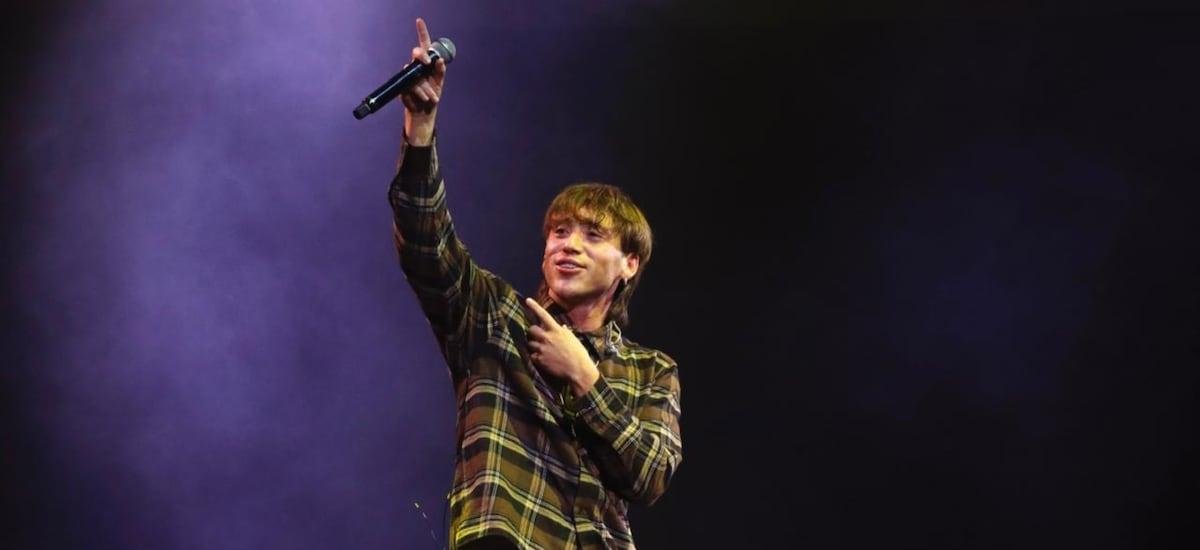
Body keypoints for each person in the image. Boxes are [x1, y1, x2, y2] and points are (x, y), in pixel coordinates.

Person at [389, 18, 682, 550]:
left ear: (629, 265)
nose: (567, 245)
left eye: (592, 235)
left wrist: (585, 379)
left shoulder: (651, 370)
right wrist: (422, 126)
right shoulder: (494, 317)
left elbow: (649, 477)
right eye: (559, 231)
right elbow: (426, 242)